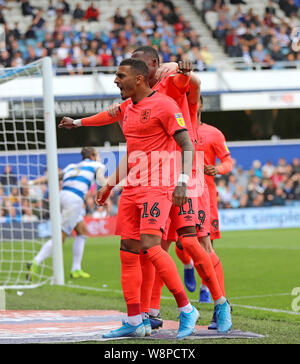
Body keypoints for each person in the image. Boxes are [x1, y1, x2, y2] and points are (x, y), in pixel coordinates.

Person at [59, 47, 232, 335]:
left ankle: (218, 303)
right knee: (148, 249)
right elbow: (117, 130)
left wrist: (183, 68)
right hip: (143, 178)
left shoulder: (172, 86)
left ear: (151, 66)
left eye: (121, 73)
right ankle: (145, 315)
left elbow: (193, 84)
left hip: (180, 175)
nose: (116, 79)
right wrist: (78, 123)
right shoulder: (131, 105)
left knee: (187, 243)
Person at [177, 95, 233, 329]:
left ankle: (217, 302)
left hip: (205, 196)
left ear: (199, 105)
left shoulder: (214, 133)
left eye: (193, 99)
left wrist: (217, 168)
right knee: (181, 245)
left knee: (205, 245)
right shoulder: (175, 127)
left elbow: (228, 161)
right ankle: (188, 266)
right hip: (178, 192)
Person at [26, 147, 106, 280]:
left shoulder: (72, 166)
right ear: (92, 155)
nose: (99, 157)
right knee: (60, 236)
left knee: (82, 231)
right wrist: (107, 193)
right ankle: (35, 261)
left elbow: (51, 178)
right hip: (74, 200)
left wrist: (32, 182)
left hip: (61, 196)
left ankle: (76, 269)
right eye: (97, 154)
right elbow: (102, 182)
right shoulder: (98, 165)